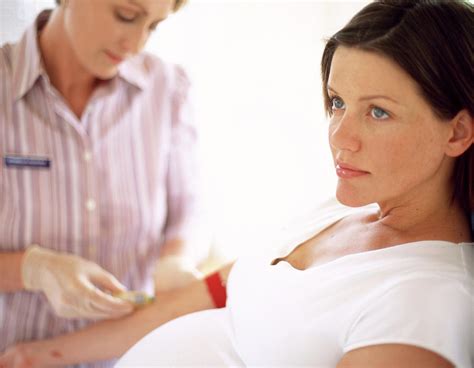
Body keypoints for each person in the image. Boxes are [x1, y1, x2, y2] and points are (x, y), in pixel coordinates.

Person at [0, 0, 472, 366]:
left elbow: (190, 206)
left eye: (378, 111)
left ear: (457, 131)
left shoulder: (428, 302)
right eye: (336, 102)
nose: (338, 136)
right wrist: (41, 355)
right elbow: (221, 289)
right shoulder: (341, 213)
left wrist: (175, 256)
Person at [0, 0, 209, 366]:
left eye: (153, 26)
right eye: (126, 16)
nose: (136, 44)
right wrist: (33, 269)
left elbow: (188, 210)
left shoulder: (166, 90)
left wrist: (175, 259)